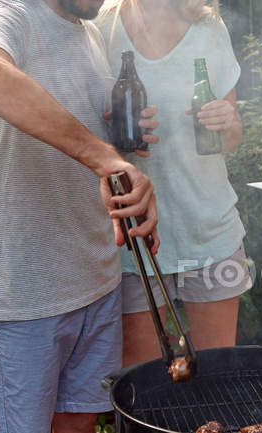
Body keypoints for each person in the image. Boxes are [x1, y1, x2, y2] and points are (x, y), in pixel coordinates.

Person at [0, 0, 161, 432]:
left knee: (79, 424)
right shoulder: (8, 12)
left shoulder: (89, 33)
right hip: (26, 293)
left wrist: (122, 136)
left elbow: (81, 136)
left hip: (96, 280)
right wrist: (105, 157)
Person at [96, 0, 251, 367]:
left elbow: (233, 137)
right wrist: (115, 136)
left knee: (215, 380)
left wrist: (226, 123)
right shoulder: (102, 28)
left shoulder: (208, 26)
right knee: (144, 389)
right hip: (132, 241)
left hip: (210, 230)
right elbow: (82, 135)